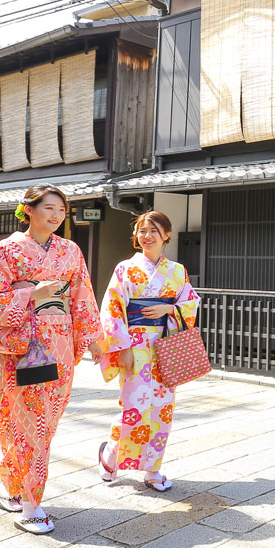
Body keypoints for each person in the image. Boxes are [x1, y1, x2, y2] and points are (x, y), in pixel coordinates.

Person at [0, 184, 103, 534]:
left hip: (59, 346)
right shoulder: (6, 250)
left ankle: (11, 485)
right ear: (28, 209)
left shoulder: (70, 251)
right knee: (30, 421)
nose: (57, 215)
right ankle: (31, 505)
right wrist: (31, 292)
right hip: (23, 347)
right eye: (49, 207)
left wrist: (94, 339)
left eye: (62, 210)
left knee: (46, 421)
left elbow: (82, 296)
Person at [95, 210, 199, 492]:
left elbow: (191, 304)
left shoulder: (177, 271)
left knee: (162, 410)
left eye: (154, 230)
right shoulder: (125, 269)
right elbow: (113, 308)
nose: (147, 236)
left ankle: (153, 470)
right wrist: (123, 348)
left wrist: (169, 308)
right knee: (134, 408)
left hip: (164, 344)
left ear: (166, 235)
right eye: (142, 230)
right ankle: (110, 457)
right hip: (136, 343)